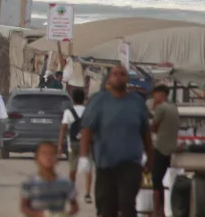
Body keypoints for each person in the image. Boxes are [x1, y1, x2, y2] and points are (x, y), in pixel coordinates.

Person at [78, 65, 151, 217]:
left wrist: (150, 156)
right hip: (106, 165)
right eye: (115, 74)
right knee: (106, 207)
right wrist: (83, 156)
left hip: (131, 163)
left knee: (127, 203)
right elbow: (86, 130)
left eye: (122, 74)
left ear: (127, 78)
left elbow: (145, 132)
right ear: (110, 78)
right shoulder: (99, 101)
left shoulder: (137, 102)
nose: (118, 77)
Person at [20, 142, 79, 216]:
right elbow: (24, 207)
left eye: (52, 153)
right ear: (36, 159)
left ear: (57, 160)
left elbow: (75, 206)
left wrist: (66, 214)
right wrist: (38, 214)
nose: (48, 157)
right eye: (44, 153)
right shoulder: (29, 183)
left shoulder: (65, 183)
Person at [57, 88, 92, 204]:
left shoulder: (68, 112)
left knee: (72, 169)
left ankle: (71, 191)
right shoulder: (89, 111)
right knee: (88, 169)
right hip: (87, 143)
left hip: (73, 144)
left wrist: (60, 145)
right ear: (84, 98)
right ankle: (87, 193)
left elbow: (63, 129)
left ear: (72, 99)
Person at [151, 85, 179, 216]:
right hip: (171, 149)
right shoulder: (173, 108)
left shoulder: (161, 108)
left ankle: (157, 210)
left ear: (160, 94)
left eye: (154, 95)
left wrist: (153, 108)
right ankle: (161, 209)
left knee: (156, 180)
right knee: (161, 180)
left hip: (161, 148)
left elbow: (153, 127)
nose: (153, 98)